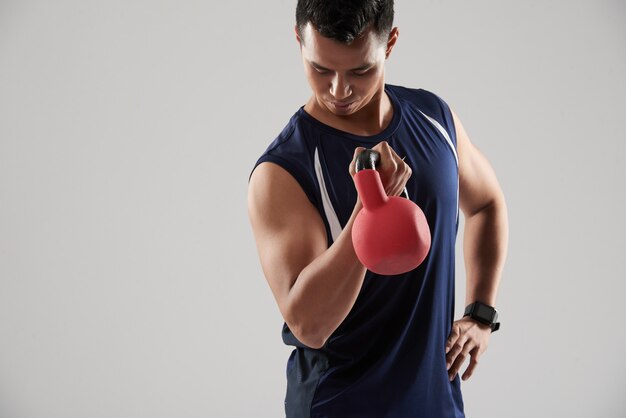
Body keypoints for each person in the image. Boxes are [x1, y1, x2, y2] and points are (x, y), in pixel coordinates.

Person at [247, 1, 509, 416]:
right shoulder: (283, 171)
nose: (338, 90)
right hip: (341, 405)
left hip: (437, 403)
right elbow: (309, 325)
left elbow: (487, 204)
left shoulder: (434, 118)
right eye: (320, 69)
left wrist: (480, 313)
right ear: (299, 41)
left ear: (389, 43)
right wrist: (367, 210)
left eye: (359, 71)